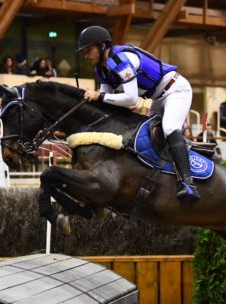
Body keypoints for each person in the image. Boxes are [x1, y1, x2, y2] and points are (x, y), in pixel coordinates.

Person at [78, 25, 199, 200]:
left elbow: (131, 99)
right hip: (157, 99)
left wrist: (98, 96)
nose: (86, 55)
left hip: (175, 90)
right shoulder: (101, 69)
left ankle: (188, 183)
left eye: (88, 50)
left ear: (102, 46)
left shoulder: (120, 60)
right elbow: (107, 101)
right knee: (143, 134)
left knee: (169, 128)